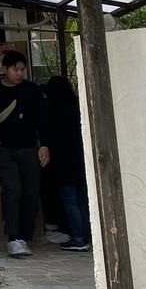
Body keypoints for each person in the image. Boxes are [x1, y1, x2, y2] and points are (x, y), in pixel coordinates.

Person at [0, 50, 49, 258]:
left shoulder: (31, 90)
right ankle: (14, 237)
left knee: (31, 192)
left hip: (29, 147)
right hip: (3, 148)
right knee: (12, 190)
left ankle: (25, 236)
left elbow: (42, 119)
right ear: (5, 69)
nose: (19, 73)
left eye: (22, 69)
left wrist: (44, 145)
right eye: (15, 69)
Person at [44, 76, 91, 252]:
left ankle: (78, 238)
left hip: (63, 162)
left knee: (70, 200)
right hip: (80, 159)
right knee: (81, 201)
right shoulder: (78, 107)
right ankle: (86, 235)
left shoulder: (52, 110)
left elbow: (51, 136)